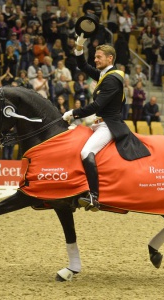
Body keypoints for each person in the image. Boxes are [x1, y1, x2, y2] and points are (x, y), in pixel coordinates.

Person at [62, 35, 150, 211]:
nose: (95, 60)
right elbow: (82, 66)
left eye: (98, 57)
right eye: (95, 56)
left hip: (108, 125)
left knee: (87, 151)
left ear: (110, 58)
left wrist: (72, 113)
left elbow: (97, 105)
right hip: (98, 123)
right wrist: (79, 46)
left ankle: (94, 196)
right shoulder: (104, 74)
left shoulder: (112, 79)